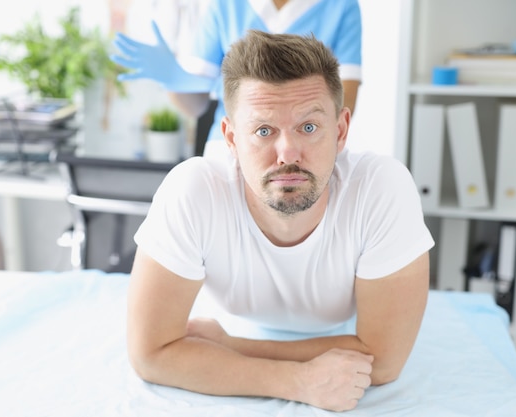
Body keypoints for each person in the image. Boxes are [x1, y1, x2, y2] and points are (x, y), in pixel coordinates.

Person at [127, 30, 434, 412]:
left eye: (308, 127)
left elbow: (384, 361)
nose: (288, 152)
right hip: (234, 322)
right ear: (232, 138)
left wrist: (230, 346)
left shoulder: (381, 189)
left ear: (340, 131)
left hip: (228, 334)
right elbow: (151, 354)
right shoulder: (192, 191)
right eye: (263, 130)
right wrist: (297, 381)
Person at [111, 0, 362, 156]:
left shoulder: (341, 5)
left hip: (301, 153)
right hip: (227, 152)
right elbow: (196, 105)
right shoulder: (226, 4)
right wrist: (173, 81)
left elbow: (342, 104)